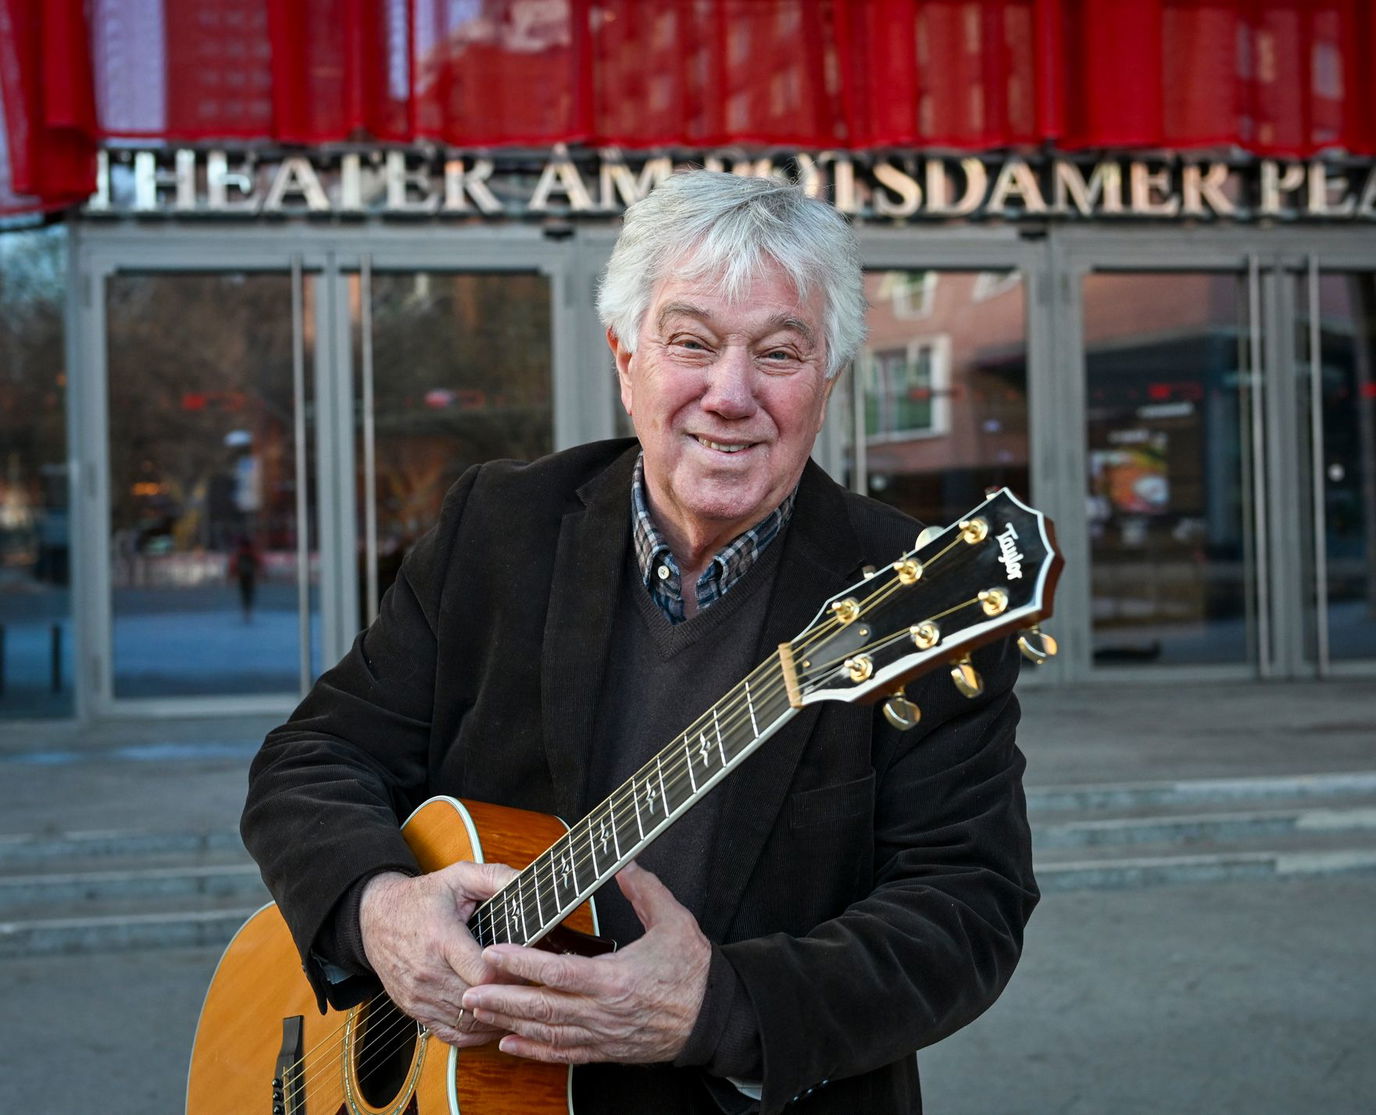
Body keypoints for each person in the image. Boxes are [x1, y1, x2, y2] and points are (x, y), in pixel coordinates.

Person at [241, 169, 1037, 1114]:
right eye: (691, 341)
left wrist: (720, 1007)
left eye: (779, 353)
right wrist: (378, 909)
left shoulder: (909, 592)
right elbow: (313, 755)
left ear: (828, 379)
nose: (730, 395)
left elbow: (967, 908)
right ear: (626, 358)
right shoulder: (501, 526)